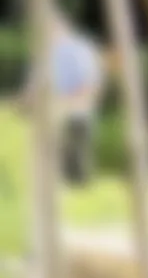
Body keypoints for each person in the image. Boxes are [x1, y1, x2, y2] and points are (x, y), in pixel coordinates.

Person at [33, 12, 105, 185]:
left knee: (76, 150)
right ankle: (65, 178)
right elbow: (39, 81)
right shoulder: (49, 52)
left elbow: (89, 81)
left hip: (76, 106)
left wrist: (71, 102)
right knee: (58, 150)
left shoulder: (78, 50)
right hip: (57, 106)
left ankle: (78, 180)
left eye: (50, 30)